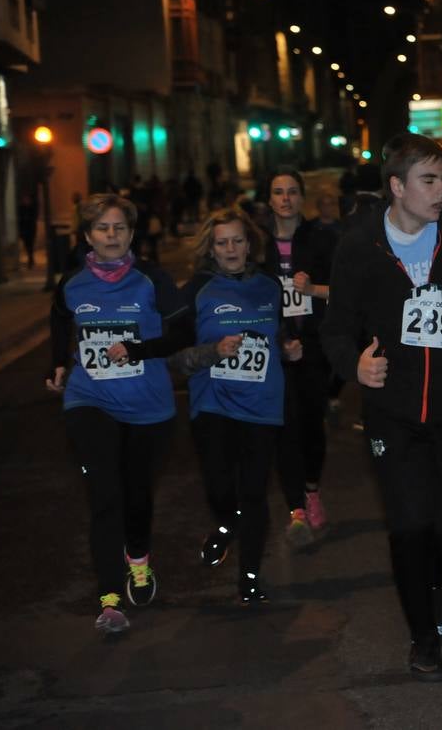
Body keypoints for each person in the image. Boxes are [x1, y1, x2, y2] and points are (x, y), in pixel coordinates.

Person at [321, 133, 442, 677]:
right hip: (391, 413)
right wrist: (355, 367)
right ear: (397, 187)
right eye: (429, 180)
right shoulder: (359, 245)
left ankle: (432, 581)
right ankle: (424, 638)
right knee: (408, 527)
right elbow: (336, 328)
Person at [45, 194, 182, 635]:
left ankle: (138, 558)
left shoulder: (151, 280)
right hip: (91, 400)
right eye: (102, 228)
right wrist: (58, 364)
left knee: (136, 495)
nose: (111, 236)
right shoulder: (73, 283)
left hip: (148, 406)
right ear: (87, 236)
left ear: (131, 233)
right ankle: (108, 599)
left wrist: (141, 348)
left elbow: (185, 328)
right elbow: (59, 318)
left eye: (119, 228)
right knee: (105, 495)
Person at [164, 208, 301, 602]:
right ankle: (225, 525)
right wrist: (212, 351)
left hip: (262, 406)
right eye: (222, 242)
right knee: (220, 487)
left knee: (255, 492)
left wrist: (289, 349)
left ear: (250, 243)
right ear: (211, 247)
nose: (231, 249)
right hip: (213, 407)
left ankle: (250, 578)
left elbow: (283, 336)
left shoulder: (271, 286)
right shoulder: (195, 291)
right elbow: (174, 357)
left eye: (237, 240)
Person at [263, 170, 336, 546]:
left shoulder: (321, 239)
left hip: (313, 347)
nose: (286, 199)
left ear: (301, 197)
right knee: (284, 426)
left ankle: (311, 490)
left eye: (292, 192)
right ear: (270, 198)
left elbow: (342, 290)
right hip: (273, 349)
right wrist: (278, 339)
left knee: (311, 423)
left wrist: (313, 289)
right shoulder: (259, 243)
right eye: (278, 192)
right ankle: (295, 509)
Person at [17, 187, 38, 269]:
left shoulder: (31, 208)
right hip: (24, 230)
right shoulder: (21, 208)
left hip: (30, 229)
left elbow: (33, 218)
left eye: (27, 199)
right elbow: (20, 220)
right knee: (27, 245)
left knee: (30, 245)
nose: (26, 200)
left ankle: (30, 258)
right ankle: (30, 258)